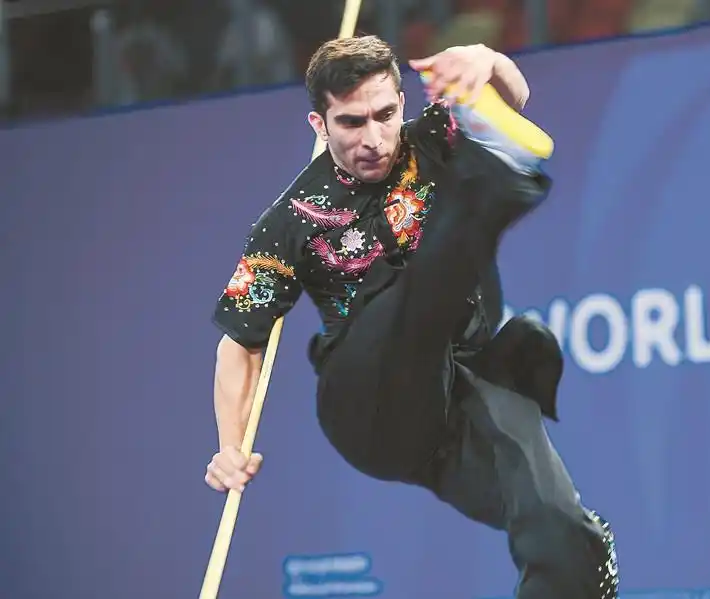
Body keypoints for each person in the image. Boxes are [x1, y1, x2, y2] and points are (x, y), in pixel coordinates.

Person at [204, 35, 619, 599]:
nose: (373, 139)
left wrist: (488, 60)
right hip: (370, 401)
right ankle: (499, 179)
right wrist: (230, 446)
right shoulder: (290, 221)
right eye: (351, 123)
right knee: (419, 282)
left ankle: (578, 556)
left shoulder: (433, 139)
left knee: (560, 526)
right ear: (319, 124)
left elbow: (514, 98)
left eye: (385, 115)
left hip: (457, 394)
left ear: (402, 103)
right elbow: (241, 342)